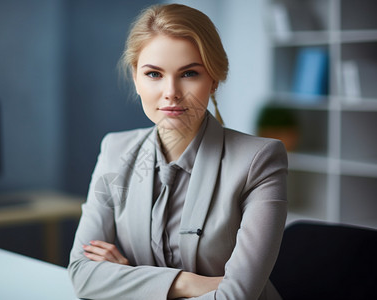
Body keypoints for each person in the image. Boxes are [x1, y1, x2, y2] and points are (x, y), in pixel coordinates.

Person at [68, 4, 287, 300]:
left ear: (214, 79)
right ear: (136, 78)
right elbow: (82, 273)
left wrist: (129, 279)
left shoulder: (259, 160)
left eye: (189, 73)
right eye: (154, 74)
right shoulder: (114, 150)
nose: (171, 91)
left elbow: (236, 296)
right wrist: (188, 283)